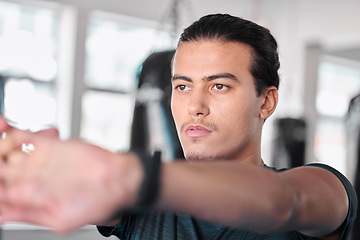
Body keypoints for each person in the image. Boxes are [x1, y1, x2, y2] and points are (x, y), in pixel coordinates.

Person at [0, 13, 356, 240]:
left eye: (219, 86)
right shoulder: (137, 206)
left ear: (266, 101)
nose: (194, 107)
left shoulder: (322, 188)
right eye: (182, 86)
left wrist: (128, 177)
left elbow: (282, 202)